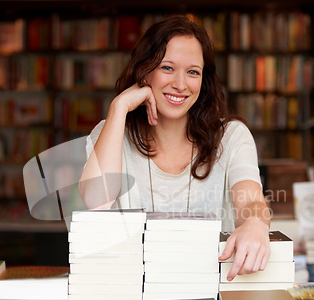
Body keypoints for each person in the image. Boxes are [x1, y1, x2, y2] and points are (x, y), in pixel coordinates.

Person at [79, 15, 271, 281]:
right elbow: (95, 202)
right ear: (143, 70)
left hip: (214, 291)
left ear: (203, 81)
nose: (181, 84)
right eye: (167, 68)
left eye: (193, 72)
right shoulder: (111, 132)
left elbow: (251, 200)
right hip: (133, 291)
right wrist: (119, 107)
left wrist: (255, 223)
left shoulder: (231, 137)